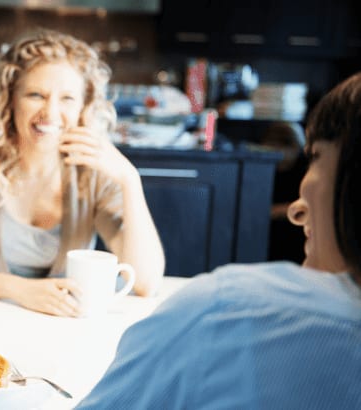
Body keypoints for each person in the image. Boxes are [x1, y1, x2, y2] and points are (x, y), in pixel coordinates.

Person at [76, 72, 361, 409]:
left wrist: (129, 178)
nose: (295, 212)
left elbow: (147, 278)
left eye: (315, 158)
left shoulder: (227, 310)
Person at [0, 29, 165, 317]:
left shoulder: (95, 166)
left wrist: (129, 180)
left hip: (67, 327)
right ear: (10, 98)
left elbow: (146, 283)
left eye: (67, 99)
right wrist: (21, 290)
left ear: (84, 106)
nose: (50, 113)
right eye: (36, 95)